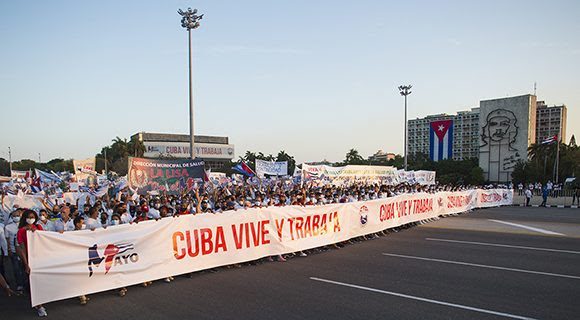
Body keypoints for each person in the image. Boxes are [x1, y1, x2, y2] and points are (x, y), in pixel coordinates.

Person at [16, 209, 47, 317]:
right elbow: (21, 249)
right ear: (25, 218)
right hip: (30, 260)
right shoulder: (21, 231)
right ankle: (39, 306)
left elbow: (46, 240)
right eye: (29, 217)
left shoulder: (38, 227)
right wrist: (26, 264)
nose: (31, 219)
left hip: (40, 259)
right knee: (33, 283)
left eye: (32, 217)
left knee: (42, 282)